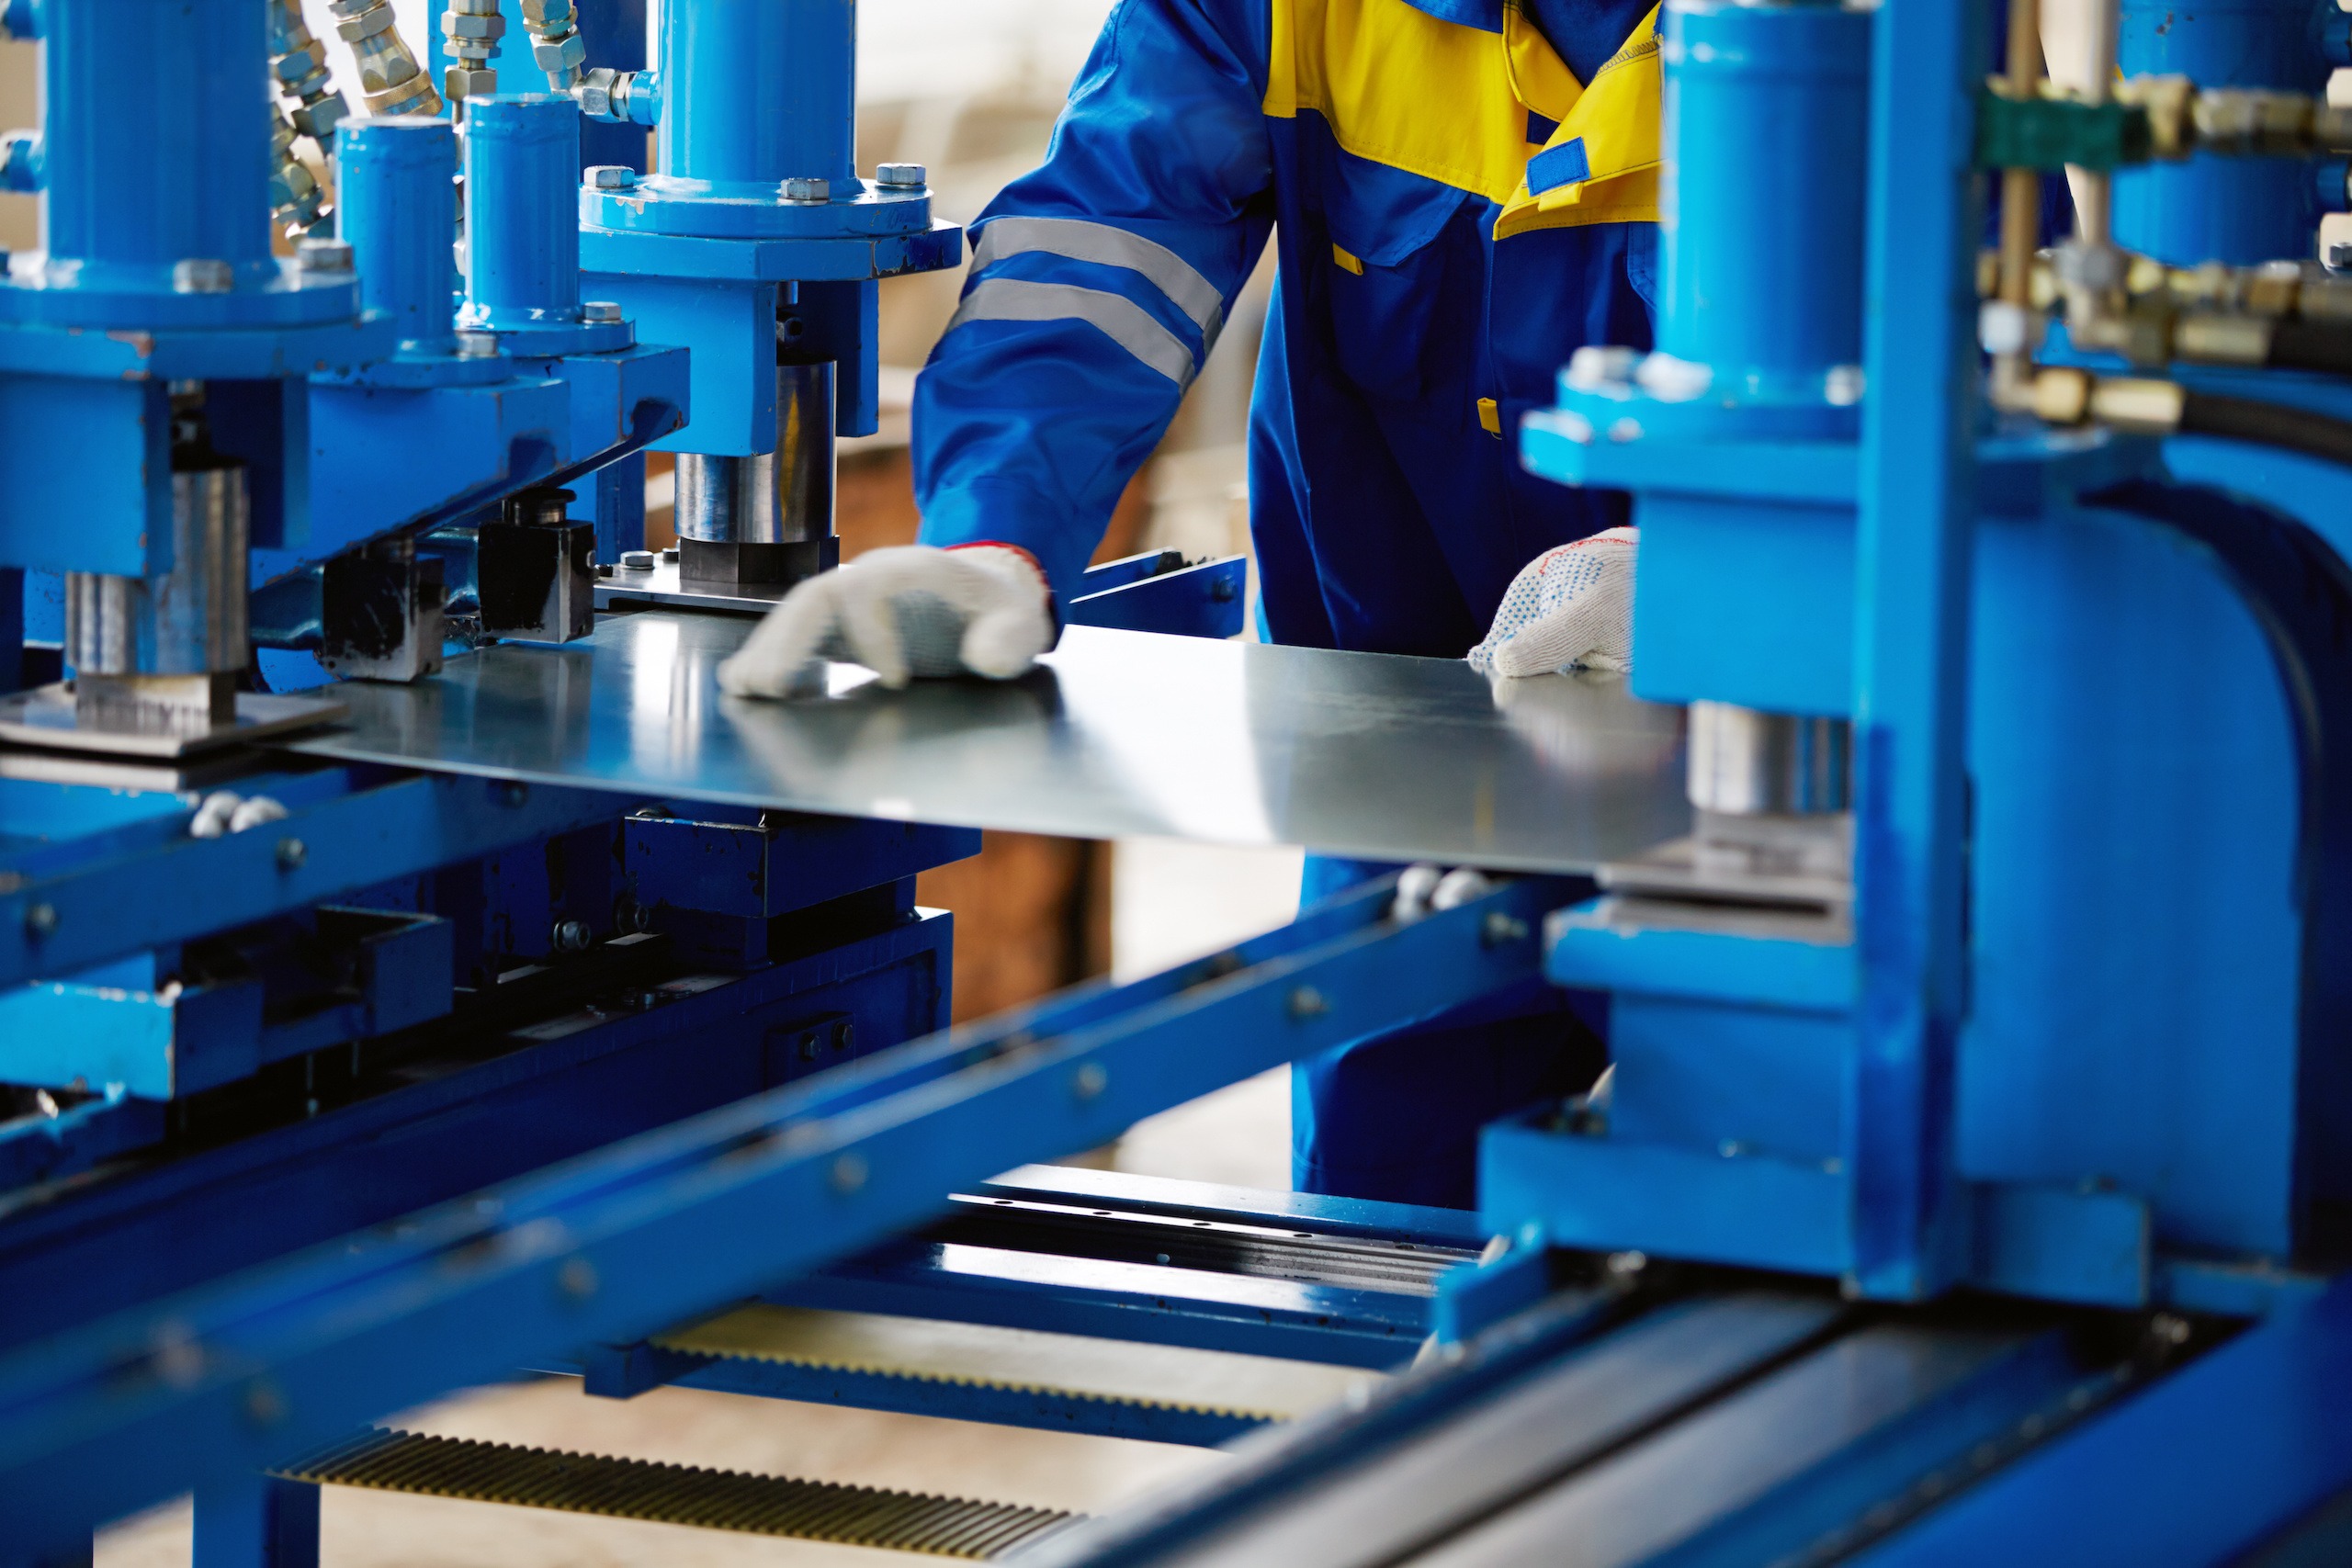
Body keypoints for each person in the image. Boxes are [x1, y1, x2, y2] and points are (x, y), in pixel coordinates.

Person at [718, 0, 1659, 1209]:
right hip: (1416, 777)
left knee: (1772, 1265)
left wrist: (1745, 579)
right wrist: (993, 536)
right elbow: (1112, 234)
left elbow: (1965, 358)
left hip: (1802, 791)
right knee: (1390, 1246)